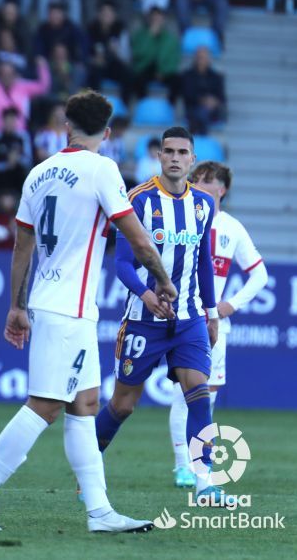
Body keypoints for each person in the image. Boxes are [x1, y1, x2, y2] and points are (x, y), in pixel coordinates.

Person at [0, 90, 175, 533]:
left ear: (67, 127)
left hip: (54, 302)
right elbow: (135, 236)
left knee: (86, 404)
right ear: (108, 133)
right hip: (68, 309)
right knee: (45, 405)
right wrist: (164, 280)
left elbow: (22, 244)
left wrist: (16, 305)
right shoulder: (102, 168)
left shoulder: (38, 173)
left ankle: (99, 512)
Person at [95, 126, 232, 507]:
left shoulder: (203, 204)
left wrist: (210, 311)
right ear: (159, 156)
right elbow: (121, 263)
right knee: (123, 404)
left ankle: (206, 484)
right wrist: (147, 294)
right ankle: (88, 467)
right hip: (143, 318)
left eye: (181, 152)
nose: (174, 157)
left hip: (188, 319)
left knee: (198, 394)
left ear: (192, 159)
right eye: (168, 151)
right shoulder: (137, 200)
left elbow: (203, 261)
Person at [167, 161, 267, 487]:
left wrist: (230, 304)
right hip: (178, 317)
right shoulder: (180, 217)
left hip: (212, 324)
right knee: (182, 395)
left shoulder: (232, 228)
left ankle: (198, 472)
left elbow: (260, 274)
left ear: (221, 189)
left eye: (206, 181)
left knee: (204, 398)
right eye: (195, 179)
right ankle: (183, 466)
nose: (197, 183)